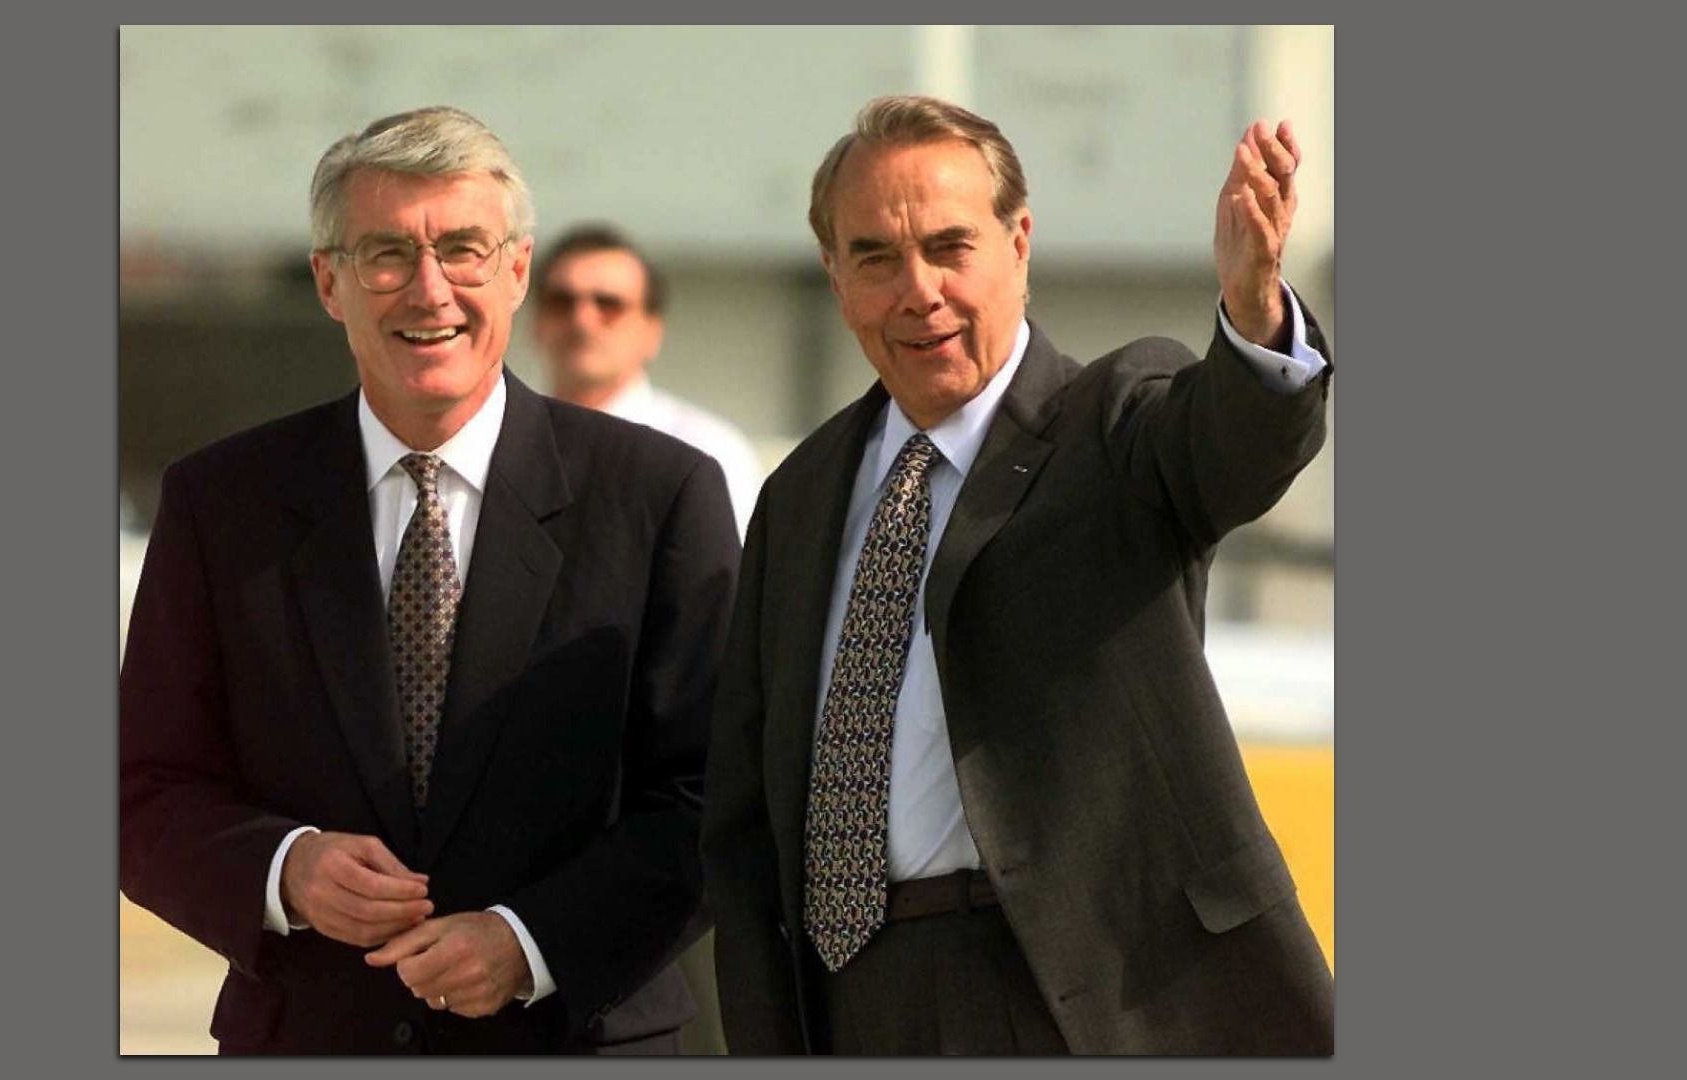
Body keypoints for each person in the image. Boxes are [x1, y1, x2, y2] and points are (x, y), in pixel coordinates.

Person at [701, 95, 1335, 1055]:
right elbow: (747, 818)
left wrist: (1252, 311)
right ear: (834, 275)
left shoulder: (1113, 421)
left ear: (1019, 243)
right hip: (854, 1003)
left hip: (1087, 995)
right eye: (875, 256)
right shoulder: (798, 495)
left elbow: (1234, 446)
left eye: (951, 248)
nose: (918, 292)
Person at [119, 106, 740, 1055]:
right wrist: (284, 871)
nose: (430, 289)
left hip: (572, 1037)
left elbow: (716, 793)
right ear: (329, 281)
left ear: (518, 269)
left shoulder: (658, 497)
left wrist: (528, 942)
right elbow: (144, 788)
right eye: (385, 256)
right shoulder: (220, 503)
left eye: (463, 249)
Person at [532, 223, 764, 538]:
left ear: (652, 331)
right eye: (561, 301)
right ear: (536, 321)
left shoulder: (707, 451)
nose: (582, 320)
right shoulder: (504, 441)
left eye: (609, 304)